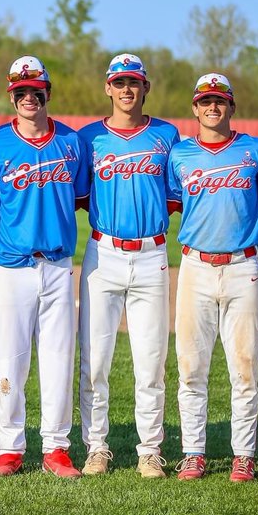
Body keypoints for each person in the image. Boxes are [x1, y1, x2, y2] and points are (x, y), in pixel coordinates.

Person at [0, 56, 90, 478]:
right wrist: (8, 222)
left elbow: (78, 197)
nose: (28, 96)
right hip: (10, 266)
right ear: (12, 96)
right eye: (20, 91)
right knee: (11, 359)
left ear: (47, 94)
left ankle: (57, 448)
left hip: (57, 265)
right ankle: (9, 448)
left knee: (58, 358)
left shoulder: (72, 144)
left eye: (35, 90)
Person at [77, 53, 180, 479]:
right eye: (119, 82)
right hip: (103, 254)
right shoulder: (88, 139)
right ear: (108, 87)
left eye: (133, 82)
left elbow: (177, 193)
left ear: (145, 87)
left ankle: (149, 450)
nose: (126, 89)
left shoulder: (166, 135)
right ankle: (96, 446)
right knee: (94, 360)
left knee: (150, 360)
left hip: (152, 253)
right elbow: (79, 195)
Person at [166, 74, 258, 482]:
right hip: (195, 266)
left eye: (220, 101)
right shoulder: (180, 155)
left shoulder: (254, 150)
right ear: (195, 107)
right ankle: (193, 452)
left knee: (244, 367)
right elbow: (174, 203)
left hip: (243, 267)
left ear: (231, 107)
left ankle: (243, 454)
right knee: (191, 367)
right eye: (205, 101)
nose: (213, 108)